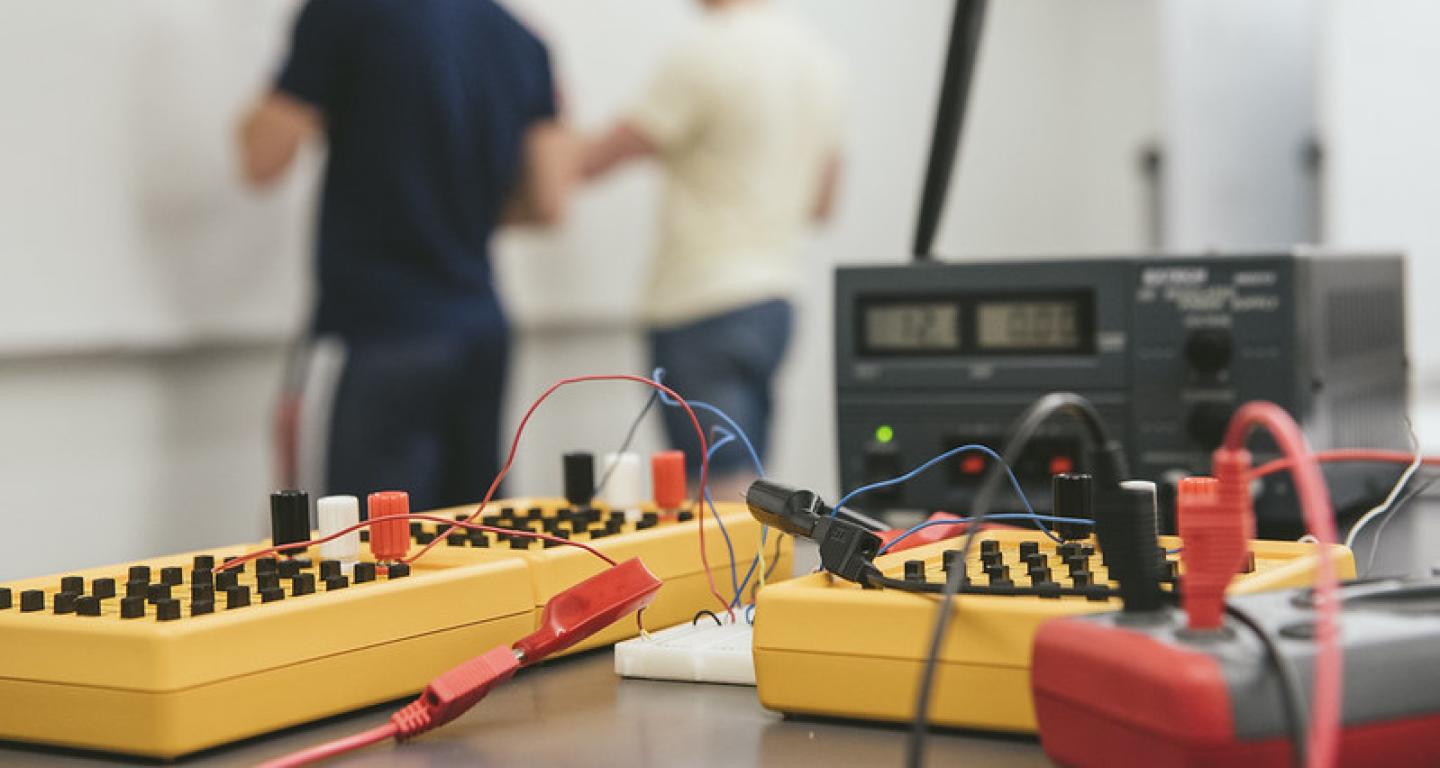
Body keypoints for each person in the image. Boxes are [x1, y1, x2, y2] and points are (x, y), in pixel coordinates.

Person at [239, 0, 574, 511]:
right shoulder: (523, 40)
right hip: (481, 331)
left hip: (382, 331)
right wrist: (456, 205)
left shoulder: (344, 13)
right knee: (472, 547)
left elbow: (261, 159)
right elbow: (547, 202)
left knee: (366, 555)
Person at [583, 0, 845, 496]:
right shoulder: (820, 60)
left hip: (702, 301)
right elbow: (824, 201)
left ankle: (741, 577)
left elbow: (603, 156)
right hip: (774, 299)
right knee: (746, 482)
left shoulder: (704, 54)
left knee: (717, 490)